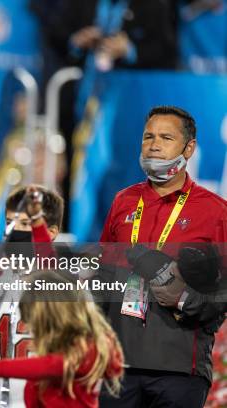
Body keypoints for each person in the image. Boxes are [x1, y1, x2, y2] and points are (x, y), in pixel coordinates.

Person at [99, 105, 227, 407]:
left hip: (180, 369)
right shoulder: (123, 201)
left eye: (166, 137)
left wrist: (183, 300)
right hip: (119, 366)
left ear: (189, 147)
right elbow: (101, 275)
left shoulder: (215, 212)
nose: (154, 144)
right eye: (148, 137)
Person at [0, 270, 124, 408]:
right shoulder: (77, 343)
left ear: (55, 316)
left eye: (36, 321)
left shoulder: (85, 351)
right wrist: (37, 228)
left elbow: (46, 366)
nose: (32, 328)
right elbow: (50, 277)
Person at [0, 184, 64, 407]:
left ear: (49, 232)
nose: (14, 231)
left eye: (25, 223)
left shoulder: (62, 283)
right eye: (9, 223)